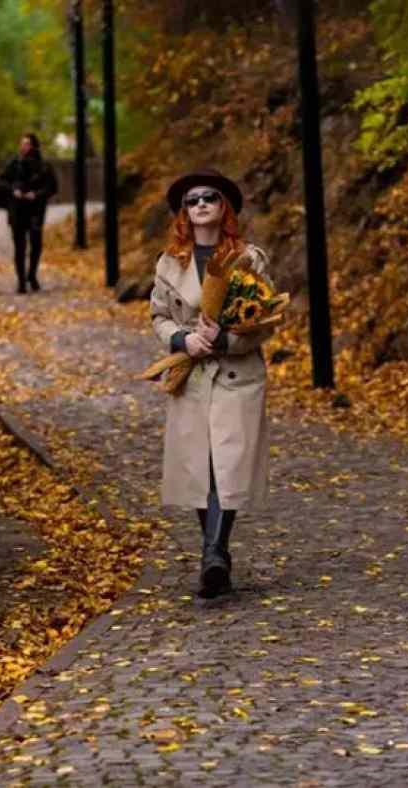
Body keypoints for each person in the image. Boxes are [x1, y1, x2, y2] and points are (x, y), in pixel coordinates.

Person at [149, 169, 274, 598]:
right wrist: (183, 338)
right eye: (192, 200)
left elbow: (266, 320)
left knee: (228, 463)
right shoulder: (170, 263)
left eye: (209, 198)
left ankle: (214, 553)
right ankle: (214, 554)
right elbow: (158, 316)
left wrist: (225, 338)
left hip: (238, 374)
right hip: (191, 372)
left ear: (224, 208)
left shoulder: (248, 258)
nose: (200, 204)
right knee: (200, 465)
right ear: (184, 213)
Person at [0, 133, 59, 293]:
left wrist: (36, 195)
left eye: (26, 144)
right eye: (22, 144)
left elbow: (52, 187)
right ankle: (21, 281)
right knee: (19, 246)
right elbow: (2, 182)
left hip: (36, 211)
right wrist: (14, 190)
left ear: (33, 146)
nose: (22, 147)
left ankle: (32, 275)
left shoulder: (44, 166)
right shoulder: (14, 164)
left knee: (36, 245)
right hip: (17, 210)